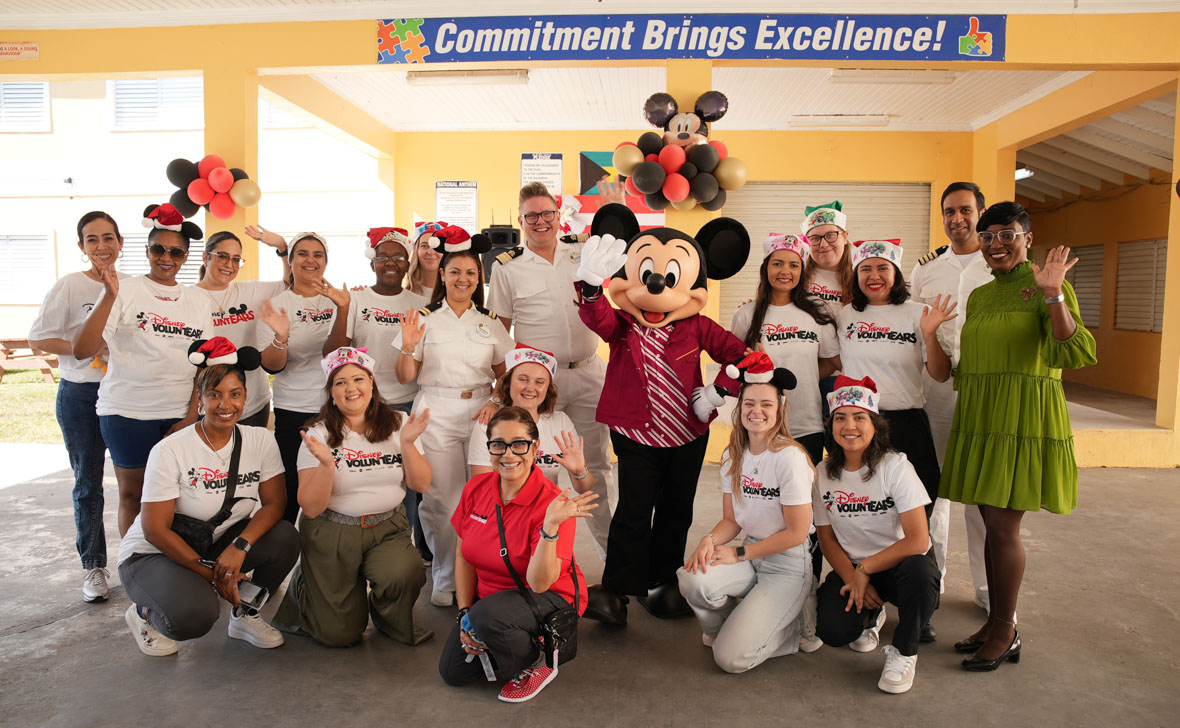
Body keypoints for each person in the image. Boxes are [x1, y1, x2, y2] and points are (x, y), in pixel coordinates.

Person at [940, 202, 1096, 672]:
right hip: (984, 415)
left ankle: (1006, 629)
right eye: (987, 238)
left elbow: (1073, 348)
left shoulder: (1049, 285)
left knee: (1004, 528)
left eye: (1007, 235)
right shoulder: (982, 296)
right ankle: (995, 622)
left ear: (1028, 237)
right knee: (989, 523)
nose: (996, 246)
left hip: (1023, 418)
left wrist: (1053, 295)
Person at [117, 338, 299, 656]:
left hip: (214, 542)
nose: (225, 405)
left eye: (234, 394)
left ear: (246, 398)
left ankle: (245, 615)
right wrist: (216, 576)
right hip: (155, 552)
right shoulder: (171, 449)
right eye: (214, 395)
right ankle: (143, 614)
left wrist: (239, 548)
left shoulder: (260, 440)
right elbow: (155, 530)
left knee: (285, 536)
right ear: (200, 400)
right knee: (194, 618)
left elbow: (274, 504)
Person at [272, 347, 434, 647]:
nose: (351, 388)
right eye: (340, 382)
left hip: (387, 529)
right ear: (330, 392)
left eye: (358, 379)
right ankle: (307, 582)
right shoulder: (317, 434)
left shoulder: (399, 423)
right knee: (339, 636)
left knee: (405, 573)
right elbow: (311, 507)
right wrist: (326, 465)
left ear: (371, 384)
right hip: (331, 530)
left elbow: (421, 484)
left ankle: (388, 617)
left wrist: (409, 445)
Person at [486, 182, 615, 557]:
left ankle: (612, 559)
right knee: (534, 466)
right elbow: (500, 334)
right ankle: (534, 552)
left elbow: (624, 262)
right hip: (539, 383)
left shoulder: (581, 251)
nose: (540, 222)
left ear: (559, 215)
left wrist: (616, 211)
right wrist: (501, 391)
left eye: (547, 214)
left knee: (594, 467)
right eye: (532, 216)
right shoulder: (507, 268)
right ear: (520, 220)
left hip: (589, 374)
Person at [439, 407, 596, 704]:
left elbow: (540, 583)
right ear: (489, 448)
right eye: (498, 444)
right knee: (454, 672)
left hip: (547, 596)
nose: (509, 454)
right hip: (491, 604)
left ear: (535, 447)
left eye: (519, 444)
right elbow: (464, 557)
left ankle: (537, 659)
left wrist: (550, 526)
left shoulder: (554, 504)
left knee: (486, 617)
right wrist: (463, 613)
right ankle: (496, 632)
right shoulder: (475, 488)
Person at [395, 226, 513, 607]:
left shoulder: (491, 320)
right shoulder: (423, 318)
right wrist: (409, 349)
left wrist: (496, 398)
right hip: (436, 411)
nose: (463, 279)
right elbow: (405, 377)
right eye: (455, 272)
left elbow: (505, 372)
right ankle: (446, 577)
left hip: (482, 412)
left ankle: (481, 574)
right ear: (442, 275)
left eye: (471, 273)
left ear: (479, 278)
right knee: (442, 501)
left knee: (485, 497)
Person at [73, 204, 209, 537]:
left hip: (178, 412)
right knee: (134, 495)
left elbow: (201, 364)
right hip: (127, 411)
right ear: (147, 251)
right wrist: (109, 295)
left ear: (186, 256)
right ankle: (136, 568)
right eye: (158, 249)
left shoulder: (199, 301)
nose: (167, 257)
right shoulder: (125, 290)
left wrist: (191, 415)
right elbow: (82, 349)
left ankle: (171, 568)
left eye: (176, 251)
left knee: (180, 498)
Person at [677, 357, 814, 674]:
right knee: (690, 578)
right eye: (749, 403)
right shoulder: (732, 455)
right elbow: (731, 521)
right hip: (751, 554)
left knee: (731, 660)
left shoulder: (789, 458)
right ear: (738, 410)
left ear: (780, 409)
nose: (757, 411)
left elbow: (797, 532)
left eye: (766, 404)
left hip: (788, 564)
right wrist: (708, 541)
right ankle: (727, 627)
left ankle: (790, 628)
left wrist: (739, 553)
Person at [812, 376, 939, 694]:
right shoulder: (823, 474)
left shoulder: (895, 466)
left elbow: (918, 540)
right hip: (854, 566)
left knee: (921, 574)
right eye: (840, 418)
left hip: (901, 567)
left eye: (859, 417)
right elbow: (826, 540)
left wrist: (865, 571)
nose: (849, 426)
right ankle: (871, 615)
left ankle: (904, 652)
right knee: (833, 632)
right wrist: (853, 576)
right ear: (831, 425)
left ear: (875, 424)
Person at [29, 211, 127, 602]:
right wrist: (85, 348)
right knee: (88, 483)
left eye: (108, 237)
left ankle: (142, 560)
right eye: (92, 240)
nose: (102, 246)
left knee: (137, 485)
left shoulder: (133, 286)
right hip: (81, 395)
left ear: (121, 242)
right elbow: (39, 338)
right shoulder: (70, 285)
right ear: (82, 247)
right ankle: (94, 566)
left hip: (124, 395)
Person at [909, 182, 994, 614]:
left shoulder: (998, 264)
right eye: (949, 211)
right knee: (934, 490)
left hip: (985, 393)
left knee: (983, 495)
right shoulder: (926, 271)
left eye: (965, 210)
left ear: (980, 212)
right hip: (937, 390)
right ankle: (932, 584)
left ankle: (987, 588)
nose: (957, 219)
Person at [323, 227, 431, 561]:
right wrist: (343, 309)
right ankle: (358, 548)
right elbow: (333, 353)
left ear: (406, 264)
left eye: (398, 257)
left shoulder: (421, 303)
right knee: (369, 475)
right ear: (372, 263)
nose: (390, 263)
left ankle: (403, 548)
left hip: (408, 400)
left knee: (409, 483)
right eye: (382, 257)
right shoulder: (356, 299)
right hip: (364, 404)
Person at [834, 238, 955, 505]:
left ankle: (916, 547)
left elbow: (940, 374)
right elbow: (829, 361)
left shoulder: (920, 313)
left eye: (882, 268)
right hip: (858, 422)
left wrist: (930, 334)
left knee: (917, 502)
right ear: (856, 275)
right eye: (865, 269)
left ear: (896, 274)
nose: (874, 276)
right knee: (861, 503)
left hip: (907, 423)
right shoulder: (844, 316)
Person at [257, 232, 350, 522]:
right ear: (291, 260)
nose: (310, 260)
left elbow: (333, 355)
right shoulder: (276, 304)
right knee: (291, 488)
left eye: (317, 254)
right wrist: (281, 337)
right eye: (303, 253)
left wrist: (343, 310)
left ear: (326, 261)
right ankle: (282, 557)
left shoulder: (341, 300)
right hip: (293, 409)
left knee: (335, 487)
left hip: (336, 408)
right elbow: (272, 366)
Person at [730, 233, 838, 465]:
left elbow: (831, 361)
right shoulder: (746, 315)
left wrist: (801, 377)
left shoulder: (817, 312)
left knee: (803, 496)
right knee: (760, 496)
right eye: (777, 263)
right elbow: (732, 366)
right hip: (759, 421)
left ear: (802, 271)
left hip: (806, 423)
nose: (785, 271)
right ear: (765, 268)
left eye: (793, 265)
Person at [192, 227, 289, 427]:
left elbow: (290, 283)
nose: (229, 264)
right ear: (205, 257)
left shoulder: (250, 291)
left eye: (236, 259)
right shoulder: (187, 298)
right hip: (209, 405)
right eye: (222, 256)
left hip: (253, 404)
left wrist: (282, 248)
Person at [467, 344, 594, 495]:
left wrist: (580, 471)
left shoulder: (561, 422)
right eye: (523, 379)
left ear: (548, 389)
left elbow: (585, 488)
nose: (530, 388)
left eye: (539, 382)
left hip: (547, 512)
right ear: (508, 383)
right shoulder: (488, 424)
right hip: (503, 512)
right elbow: (481, 489)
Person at [406, 221, 445, 300]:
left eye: (436, 246)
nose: (431, 252)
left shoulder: (454, 292)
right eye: (424, 246)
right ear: (416, 251)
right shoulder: (407, 294)